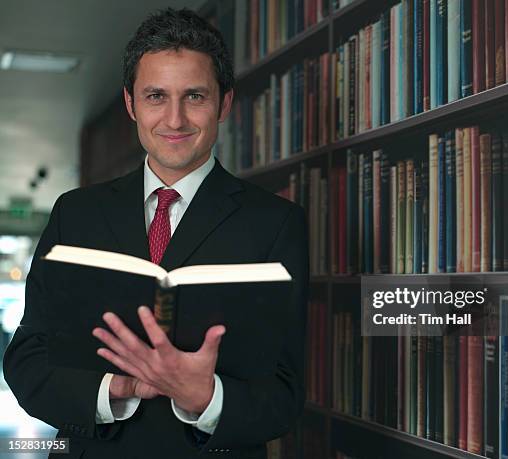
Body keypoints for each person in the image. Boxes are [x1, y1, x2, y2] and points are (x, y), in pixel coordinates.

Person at [2, 8, 309, 459]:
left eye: (195, 96)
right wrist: (115, 390)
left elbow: (285, 395)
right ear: (131, 104)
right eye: (155, 96)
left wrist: (203, 397)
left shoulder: (276, 223)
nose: (175, 119)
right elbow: (27, 359)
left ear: (224, 103)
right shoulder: (75, 214)